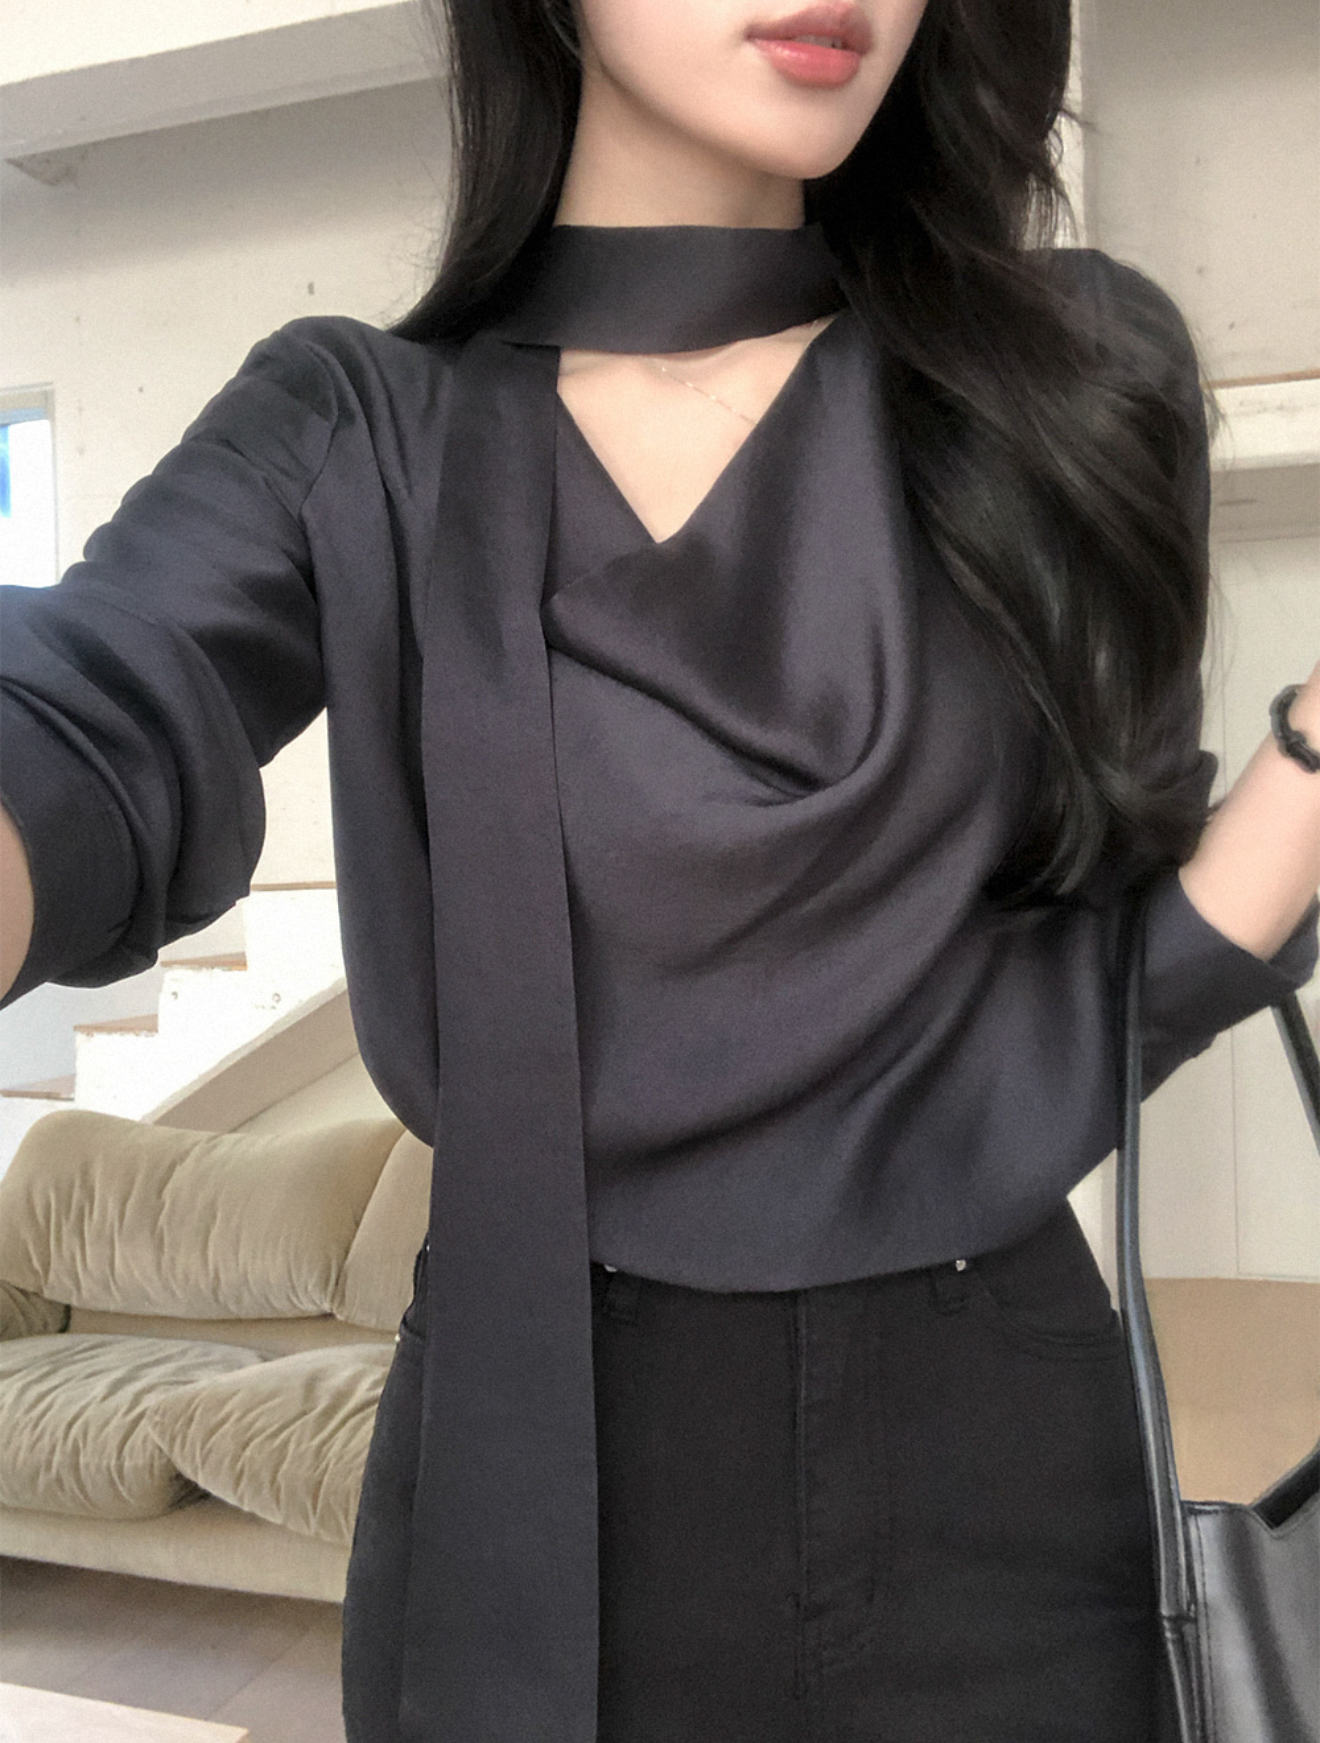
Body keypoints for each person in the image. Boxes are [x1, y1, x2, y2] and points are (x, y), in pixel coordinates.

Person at [2, 0, 1318, 1737]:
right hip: (532, 1489)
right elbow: (90, 708)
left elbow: (1111, 976)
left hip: (1000, 1468)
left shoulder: (1067, 379)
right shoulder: (357, 431)